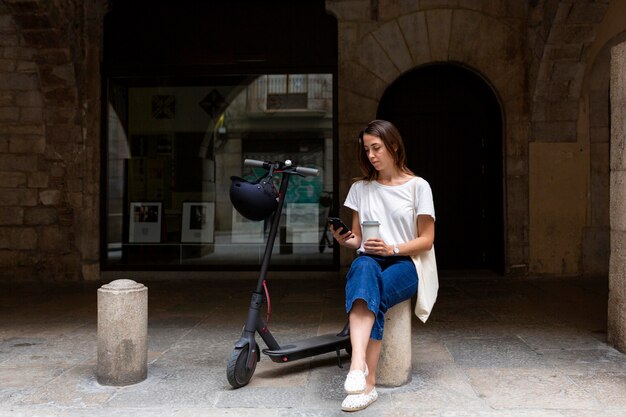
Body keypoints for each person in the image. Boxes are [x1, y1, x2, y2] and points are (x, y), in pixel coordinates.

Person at [330, 119, 436, 412]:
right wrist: (345, 239)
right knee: (363, 269)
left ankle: (365, 377)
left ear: (394, 146)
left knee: (372, 290)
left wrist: (393, 248)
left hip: (406, 261)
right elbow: (358, 239)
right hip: (370, 259)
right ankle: (360, 370)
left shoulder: (418, 187)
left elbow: (427, 240)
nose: (371, 155)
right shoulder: (360, 189)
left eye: (376, 148)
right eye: (366, 150)